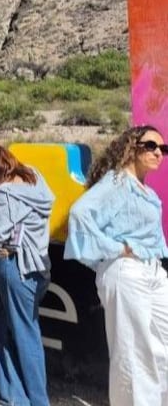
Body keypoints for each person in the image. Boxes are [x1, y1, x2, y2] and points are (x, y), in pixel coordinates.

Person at [65, 125, 168, 406]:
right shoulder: (117, 182)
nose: (158, 152)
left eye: (163, 148)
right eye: (150, 146)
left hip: (153, 270)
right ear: (131, 147)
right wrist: (115, 248)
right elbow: (80, 214)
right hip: (128, 272)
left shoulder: (142, 187)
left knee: (162, 348)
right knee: (135, 354)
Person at [0, 145, 53, 406]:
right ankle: (10, 394)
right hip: (39, 266)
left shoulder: (5, 192)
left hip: (16, 266)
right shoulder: (34, 175)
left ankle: (38, 400)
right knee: (6, 328)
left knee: (25, 335)